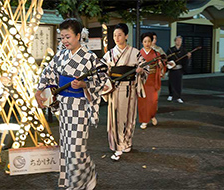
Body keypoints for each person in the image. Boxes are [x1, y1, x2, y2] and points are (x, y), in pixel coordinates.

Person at [35, 18, 108, 190]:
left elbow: (102, 80)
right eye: (62, 38)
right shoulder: (60, 55)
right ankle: (87, 173)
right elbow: (48, 72)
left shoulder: (89, 57)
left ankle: (77, 185)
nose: (64, 41)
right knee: (68, 147)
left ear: (78, 36)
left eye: (68, 37)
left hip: (80, 106)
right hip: (64, 105)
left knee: (76, 148)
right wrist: (39, 90)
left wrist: (84, 85)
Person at [102, 23, 147, 161]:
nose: (116, 37)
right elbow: (102, 71)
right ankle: (117, 147)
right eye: (115, 35)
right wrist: (107, 82)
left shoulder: (135, 53)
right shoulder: (109, 54)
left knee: (129, 117)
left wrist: (140, 71)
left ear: (126, 36)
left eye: (119, 34)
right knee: (116, 119)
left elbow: (145, 68)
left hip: (130, 89)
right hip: (115, 90)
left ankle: (127, 142)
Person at [138, 32, 166, 129]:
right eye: (145, 41)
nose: (147, 43)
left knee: (153, 101)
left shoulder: (156, 53)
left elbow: (162, 63)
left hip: (153, 79)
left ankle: (152, 115)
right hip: (142, 80)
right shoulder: (138, 54)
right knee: (142, 101)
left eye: (149, 41)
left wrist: (161, 65)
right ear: (142, 42)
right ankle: (144, 120)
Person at [166, 35, 191, 103]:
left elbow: (185, 61)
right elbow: (166, 59)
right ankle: (170, 95)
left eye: (180, 41)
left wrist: (188, 57)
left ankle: (178, 96)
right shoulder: (170, 50)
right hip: (172, 69)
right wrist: (169, 63)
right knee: (171, 82)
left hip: (179, 69)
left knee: (178, 83)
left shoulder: (184, 50)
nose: (179, 42)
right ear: (175, 41)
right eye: (177, 40)